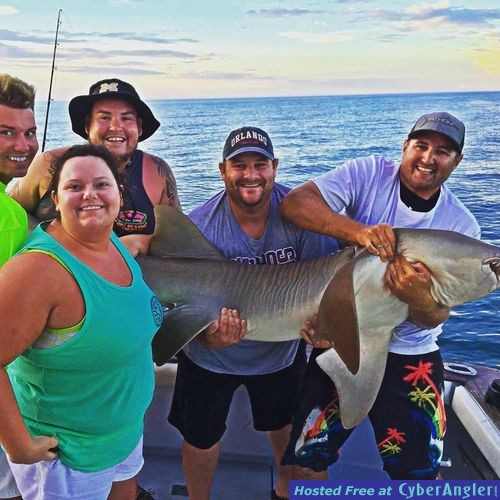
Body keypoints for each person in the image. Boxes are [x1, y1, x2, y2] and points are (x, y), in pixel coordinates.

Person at [279, 112, 481, 480]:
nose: (428, 158)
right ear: (405, 146)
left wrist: (419, 297)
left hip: (412, 354)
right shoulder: (369, 173)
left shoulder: (461, 226)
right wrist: (359, 233)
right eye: (421, 145)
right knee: (306, 460)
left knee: (420, 471)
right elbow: (294, 204)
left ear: (457, 161)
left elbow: (436, 317)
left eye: (443, 151)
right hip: (343, 340)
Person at [167, 126, 338, 499]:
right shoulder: (202, 225)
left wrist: (325, 329)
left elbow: (327, 284)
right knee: (200, 438)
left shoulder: (301, 216)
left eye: (260, 164)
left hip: (279, 355)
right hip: (210, 356)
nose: (250, 174)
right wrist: (205, 336)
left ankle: (282, 493)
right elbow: (174, 302)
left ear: (275, 167)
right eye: (238, 165)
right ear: (222, 170)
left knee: (287, 438)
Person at [0, 144, 163, 499]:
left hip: (124, 435)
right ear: (56, 200)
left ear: (118, 194)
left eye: (101, 184)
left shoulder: (110, 242)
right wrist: (18, 446)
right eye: (75, 187)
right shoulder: (38, 270)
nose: (90, 194)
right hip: (70, 456)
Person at [10, 78, 180, 256]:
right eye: (104, 117)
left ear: (139, 127)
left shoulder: (157, 173)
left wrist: (143, 241)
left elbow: (177, 238)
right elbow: (9, 212)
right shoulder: (48, 164)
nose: (115, 127)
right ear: (87, 125)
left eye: (126, 118)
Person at [0, 73, 39, 500]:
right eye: (6, 132)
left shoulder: (9, 206)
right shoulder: (6, 215)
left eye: (29, 132)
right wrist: (19, 444)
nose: (22, 145)